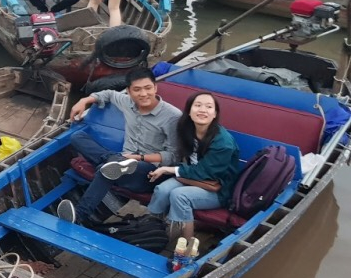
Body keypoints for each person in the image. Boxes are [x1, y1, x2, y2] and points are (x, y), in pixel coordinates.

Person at [57, 67, 182, 226]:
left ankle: (80, 215)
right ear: (129, 91)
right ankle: (113, 163)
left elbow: (173, 156)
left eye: (148, 88)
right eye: (137, 90)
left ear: (155, 87)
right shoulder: (127, 102)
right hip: (122, 160)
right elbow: (108, 94)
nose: (143, 94)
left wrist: (139, 158)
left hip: (149, 172)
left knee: (107, 172)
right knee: (76, 137)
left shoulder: (173, 116)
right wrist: (84, 101)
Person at [146, 92, 242, 243]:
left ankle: (186, 245)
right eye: (197, 105)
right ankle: (151, 227)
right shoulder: (188, 129)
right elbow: (188, 161)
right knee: (162, 189)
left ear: (215, 114)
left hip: (218, 188)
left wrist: (167, 169)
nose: (202, 110)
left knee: (179, 196)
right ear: (189, 111)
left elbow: (206, 172)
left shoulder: (223, 142)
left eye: (209, 107)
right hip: (192, 177)